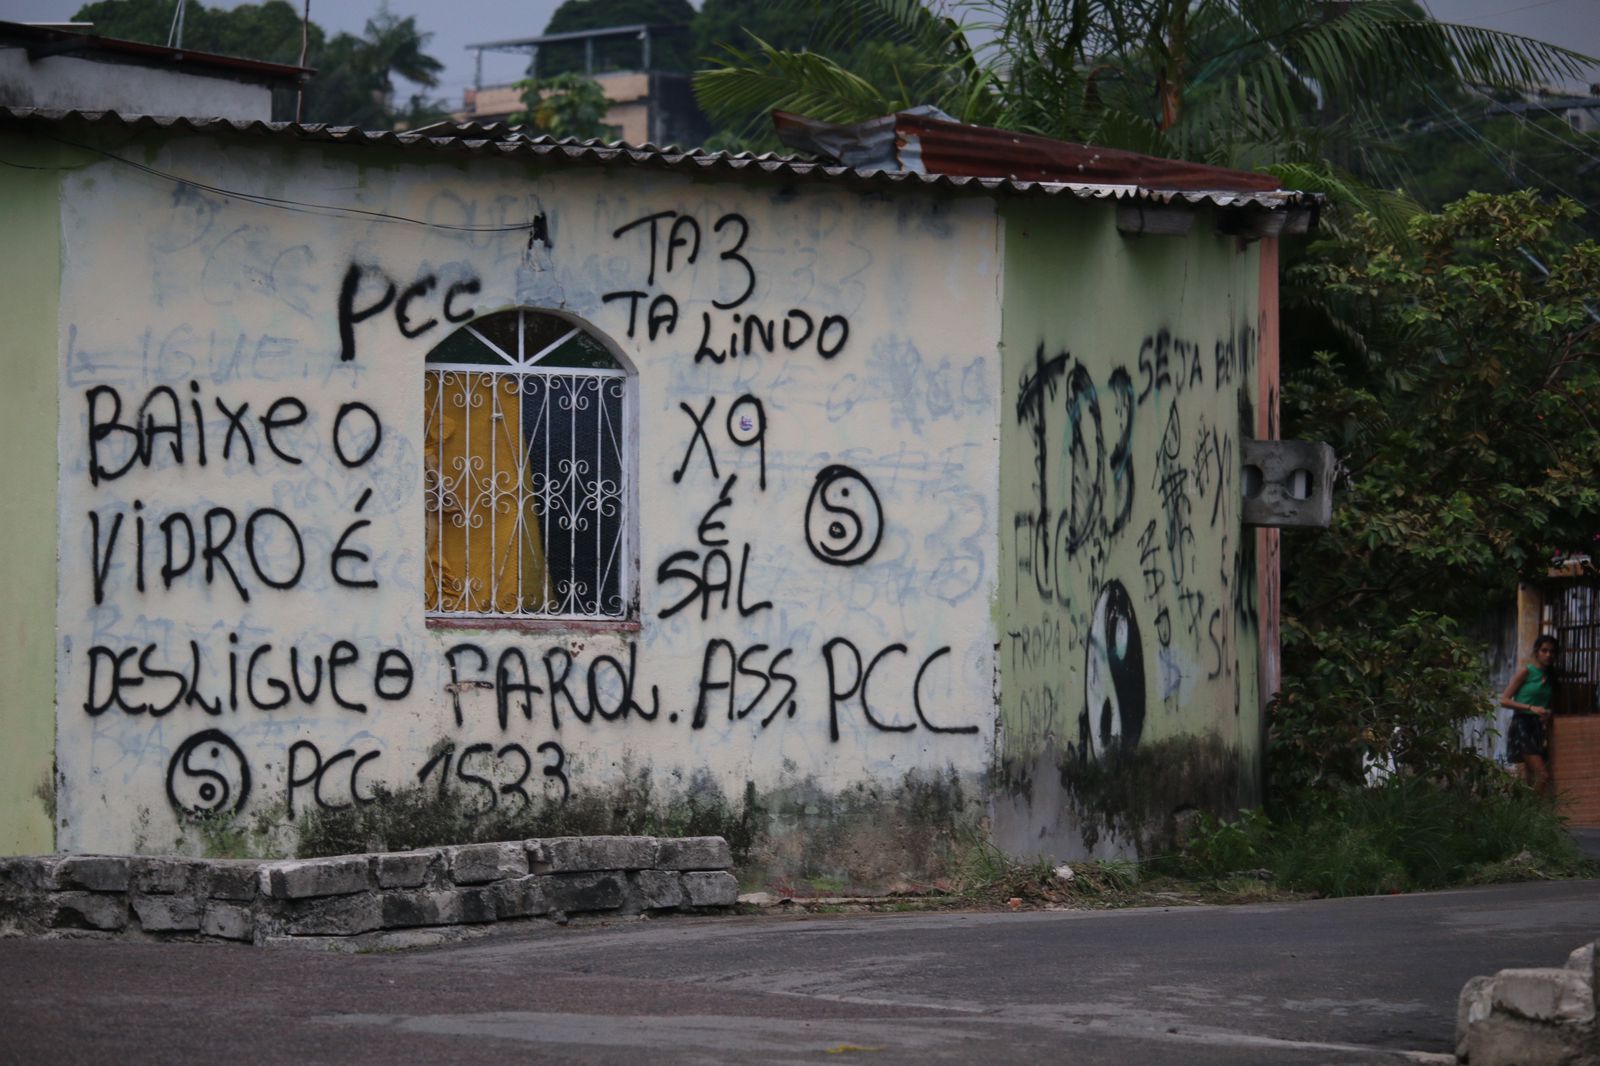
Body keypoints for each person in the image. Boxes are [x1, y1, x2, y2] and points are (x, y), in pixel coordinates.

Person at [1500, 634, 1559, 797]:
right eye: (1544, 650)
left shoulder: (1551, 676)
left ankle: (1525, 816)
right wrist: (1531, 707)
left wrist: (1547, 713)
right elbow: (1503, 700)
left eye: (1552, 652)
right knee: (1543, 775)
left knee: (1530, 777)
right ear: (1536, 652)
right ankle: (1532, 814)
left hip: (1538, 726)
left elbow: (1548, 704)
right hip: (1522, 725)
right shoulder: (1526, 671)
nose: (1548, 655)